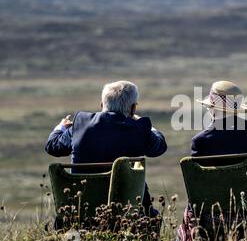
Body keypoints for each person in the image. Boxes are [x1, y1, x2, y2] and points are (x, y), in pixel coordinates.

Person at [177, 80, 247, 241]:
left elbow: (198, 186)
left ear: (212, 108)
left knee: (182, 231)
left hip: (212, 216)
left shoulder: (201, 141)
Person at [45, 80, 167, 219]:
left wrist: (61, 127)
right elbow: (159, 147)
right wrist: (147, 127)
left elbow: (52, 146)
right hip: (128, 212)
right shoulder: (139, 129)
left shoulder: (80, 124)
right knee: (153, 217)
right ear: (133, 108)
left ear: (102, 105)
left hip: (81, 211)